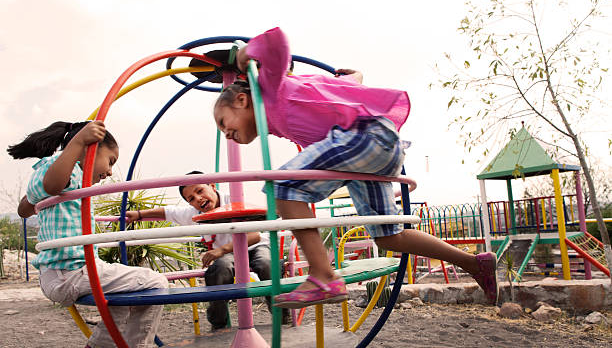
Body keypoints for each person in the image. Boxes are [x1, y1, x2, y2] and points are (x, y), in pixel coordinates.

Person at [212, 27, 498, 308]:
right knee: (389, 236)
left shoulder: (270, 88)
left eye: (224, 123)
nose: (226, 134)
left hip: (366, 138)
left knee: (284, 187)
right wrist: (357, 79)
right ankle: (474, 263)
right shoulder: (282, 116)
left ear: (241, 99)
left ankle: (323, 276)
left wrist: (247, 55)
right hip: (375, 148)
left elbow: (277, 42)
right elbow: (335, 93)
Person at [7, 120, 168, 348]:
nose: (110, 170)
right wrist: (79, 142)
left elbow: (25, 209)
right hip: (69, 272)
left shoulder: (65, 181)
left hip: (66, 271)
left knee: (123, 295)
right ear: (91, 149)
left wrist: (36, 197)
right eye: (111, 160)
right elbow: (52, 183)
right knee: (156, 282)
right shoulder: (60, 171)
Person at [125, 171, 290, 329]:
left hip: (255, 245)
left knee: (266, 263)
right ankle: (219, 321)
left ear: (212, 185)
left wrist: (221, 250)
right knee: (219, 269)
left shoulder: (234, 199)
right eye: (191, 198)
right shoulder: (194, 214)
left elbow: (254, 236)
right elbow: (167, 212)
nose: (198, 199)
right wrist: (139, 214)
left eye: (200, 191)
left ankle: (281, 313)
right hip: (228, 254)